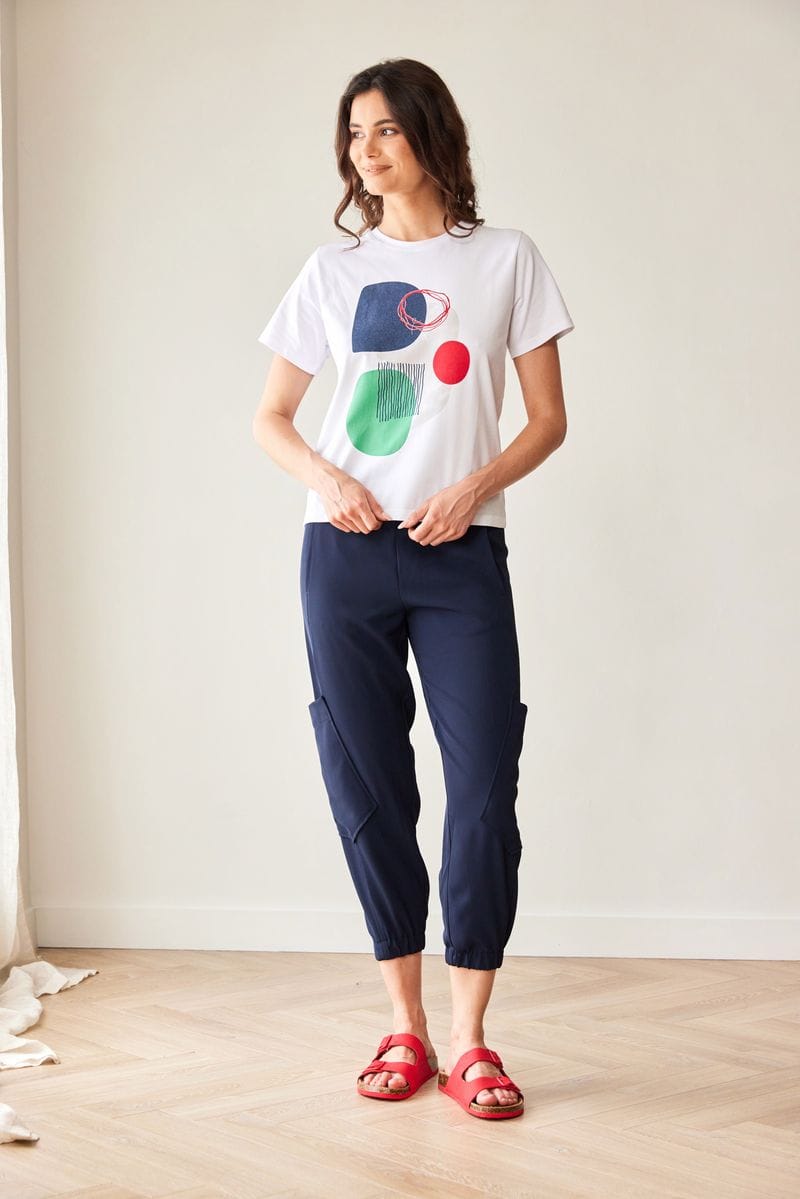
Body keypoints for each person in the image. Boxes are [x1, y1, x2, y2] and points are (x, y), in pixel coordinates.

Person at [252, 57, 574, 1121]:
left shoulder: (506, 259)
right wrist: (330, 479)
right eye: (355, 134)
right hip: (344, 551)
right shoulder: (332, 272)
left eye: (386, 129)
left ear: (432, 134)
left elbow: (546, 419)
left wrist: (471, 487)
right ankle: (405, 1021)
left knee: (482, 785)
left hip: (459, 553)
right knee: (369, 785)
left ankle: (473, 1038)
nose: (367, 150)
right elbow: (270, 418)